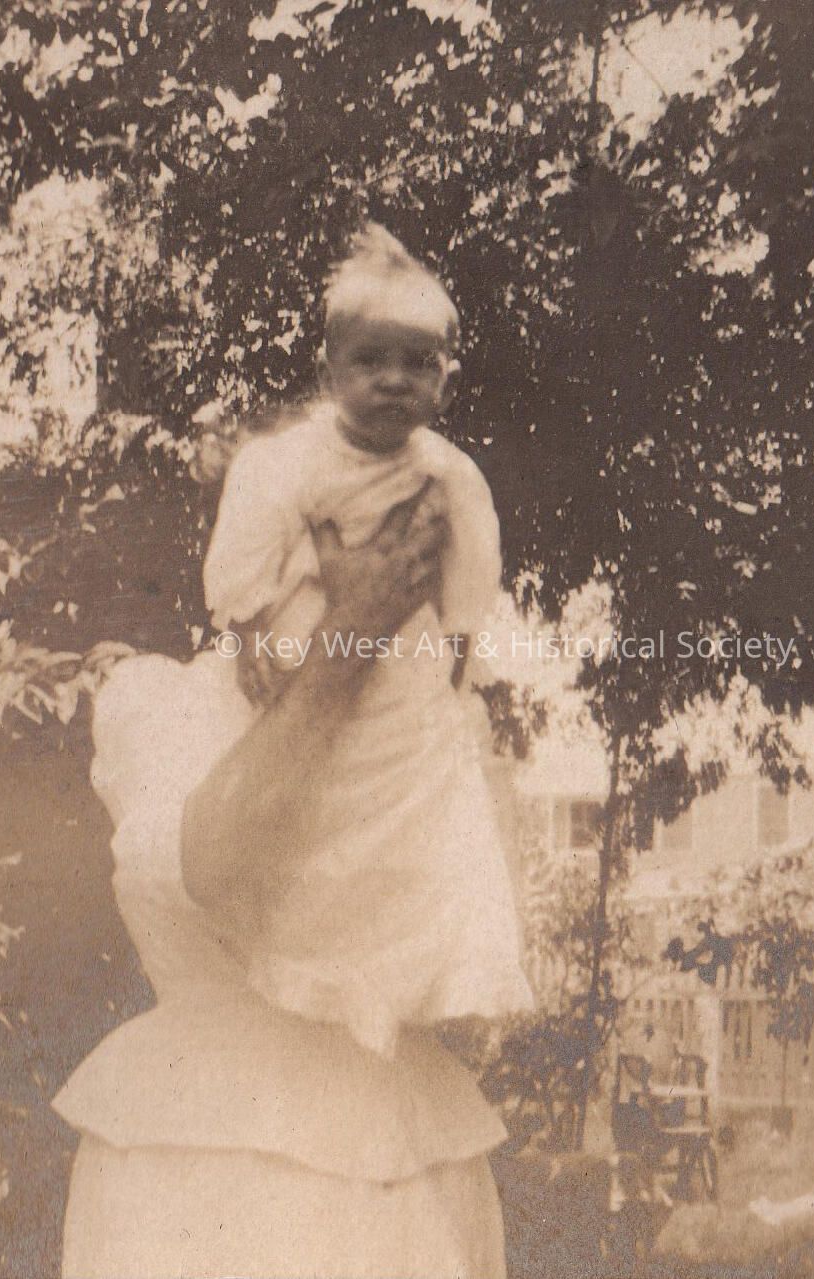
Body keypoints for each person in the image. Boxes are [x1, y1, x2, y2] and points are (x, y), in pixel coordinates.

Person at [54, 486, 514, 1278]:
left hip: (390, 1167)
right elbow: (206, 870)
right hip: (189, 1158)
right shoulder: (162, 703)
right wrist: (339, 655)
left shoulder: (425, 739)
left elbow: (452, 959)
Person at [193, 222, 532, 1058]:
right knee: (315, 816)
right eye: (371, 360)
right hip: (303, 647)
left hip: (406, 667)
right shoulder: (286, 461)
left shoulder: (449, 474)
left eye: (419, 363)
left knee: (421, 812)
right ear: (329, 371)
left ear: (447, 377)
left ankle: (428, 977)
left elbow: (468, 581)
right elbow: (244, 555)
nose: (393, 381)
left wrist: (454, 668)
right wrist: (248, 633)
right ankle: (309, 972)